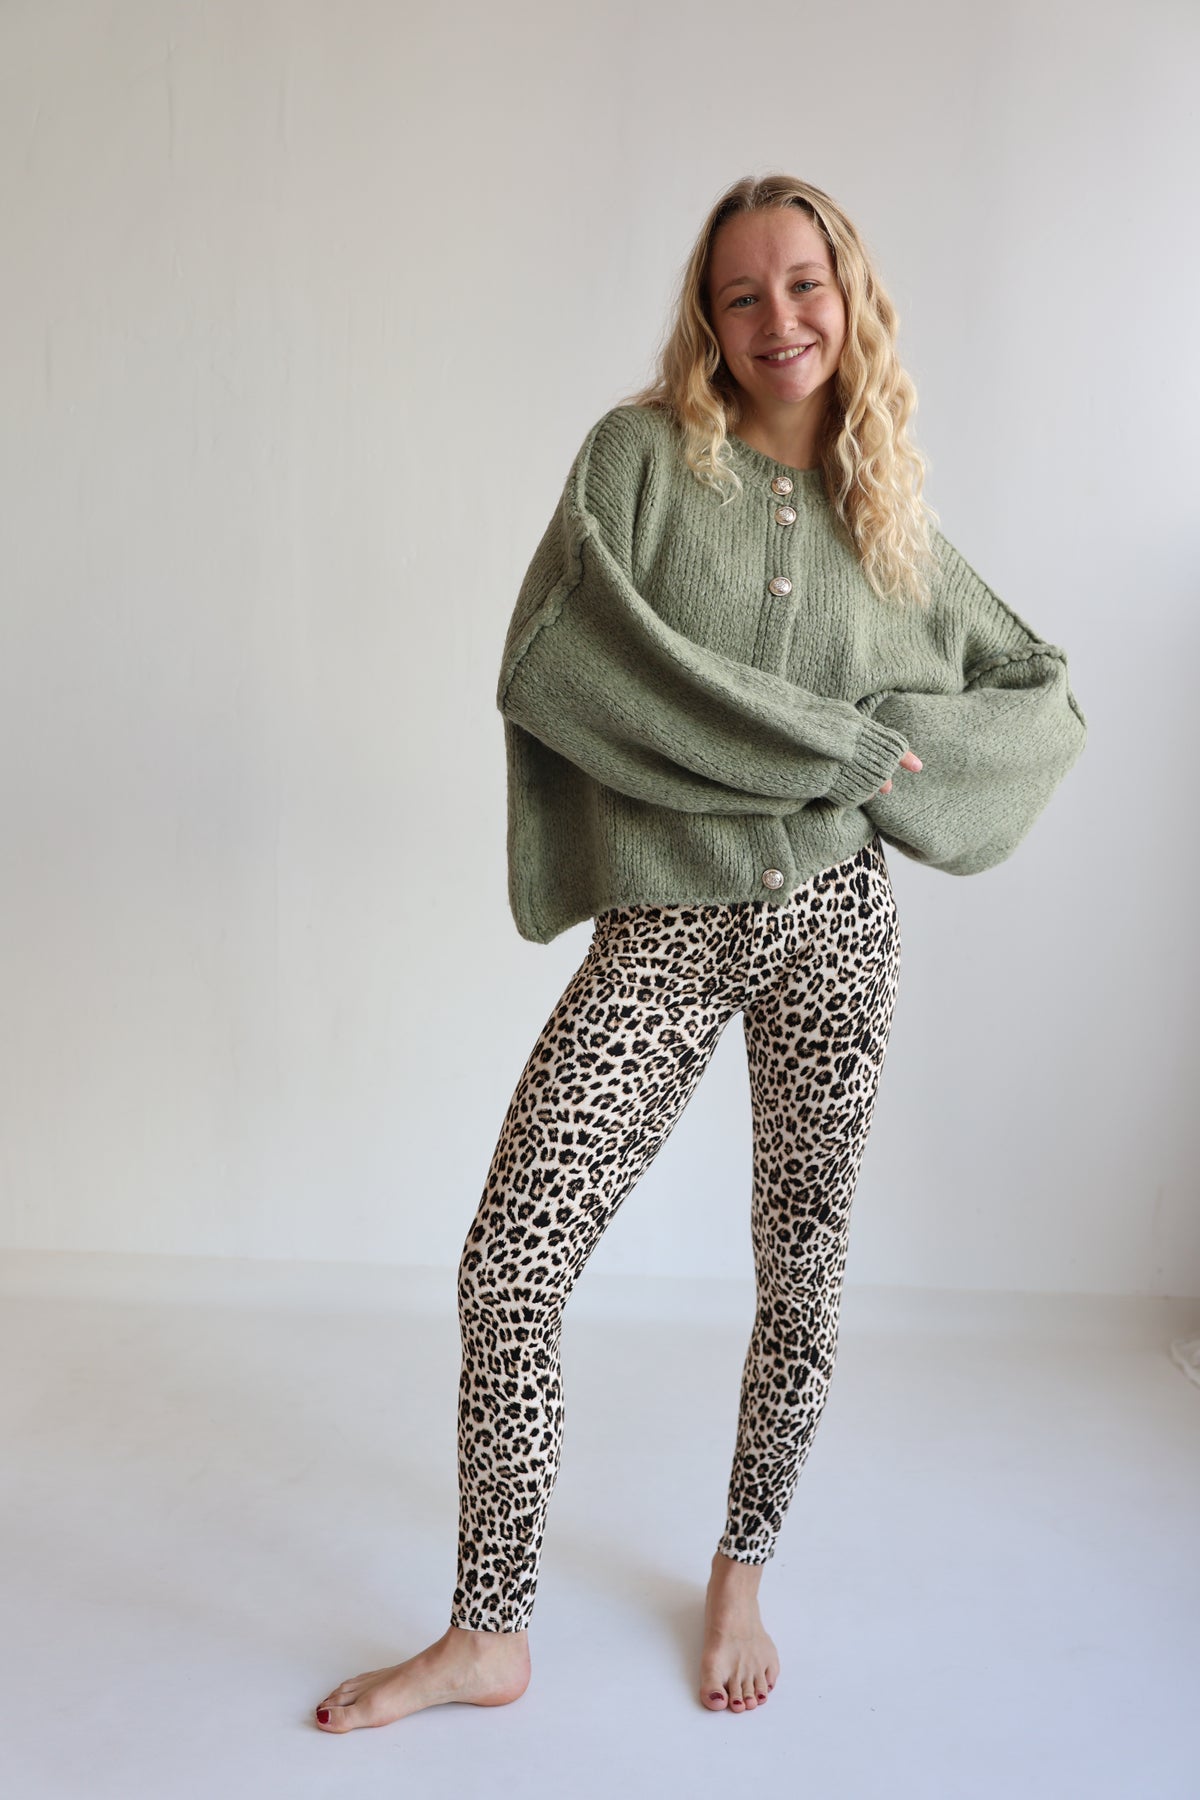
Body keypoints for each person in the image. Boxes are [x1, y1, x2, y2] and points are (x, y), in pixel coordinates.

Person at [314, 173, 1086, 1731]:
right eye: (742, 294)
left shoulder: (895, 525)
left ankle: (743, 1569)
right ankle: (487, 1632)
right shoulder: (641, 461)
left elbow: (1046, 702)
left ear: (849, 298)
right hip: (665, 935)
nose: (777, 317)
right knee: (511, 1267)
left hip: (838, 933)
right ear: (708, 320)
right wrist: (827, 746)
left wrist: (889, 757)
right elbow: (557, 658)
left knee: (803, 1272)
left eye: (803, 283)